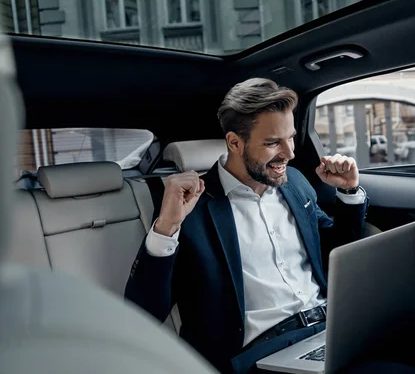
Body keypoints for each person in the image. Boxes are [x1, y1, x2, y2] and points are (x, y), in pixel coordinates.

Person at [125, 78, 370, 374]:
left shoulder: (296, 183)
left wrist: (348, 193)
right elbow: (144, 312)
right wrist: (166, 227)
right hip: (259, 355)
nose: (289, 153)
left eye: (290, 137)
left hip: (328, 331)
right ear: (235, 142)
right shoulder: (191, 208)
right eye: (272, 143)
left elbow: (333, 251)